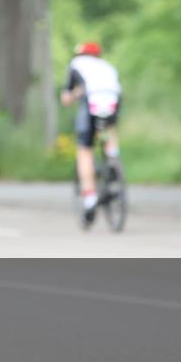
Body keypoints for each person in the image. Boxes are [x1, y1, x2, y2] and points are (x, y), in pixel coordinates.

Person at [61, 41, 122, 226]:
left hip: (91, 100)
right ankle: (113, 158)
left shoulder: (76, 65)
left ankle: (90, 197)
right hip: (113, 98)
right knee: (109, 127)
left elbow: (66, 98)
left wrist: (72, 96)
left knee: (84, 149)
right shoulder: (107, 66)